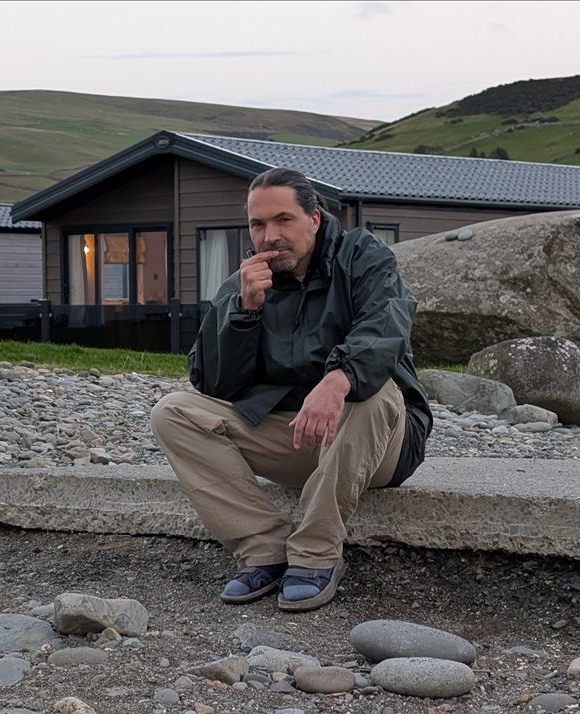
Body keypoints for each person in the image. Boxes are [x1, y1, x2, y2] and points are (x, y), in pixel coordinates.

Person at [151, 167, 432, 612]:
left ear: (314, 219)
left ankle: (316, 555)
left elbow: (387, 328)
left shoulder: (364, 257)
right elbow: (212, 383)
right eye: (258, 224)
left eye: (283, 220)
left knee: (372, 392)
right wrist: (244, 314)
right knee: (173, 411)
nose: (269, 237)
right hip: (298, 437)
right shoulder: (245, 283)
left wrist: (338, 380)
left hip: (376, 443)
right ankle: (264, 549)